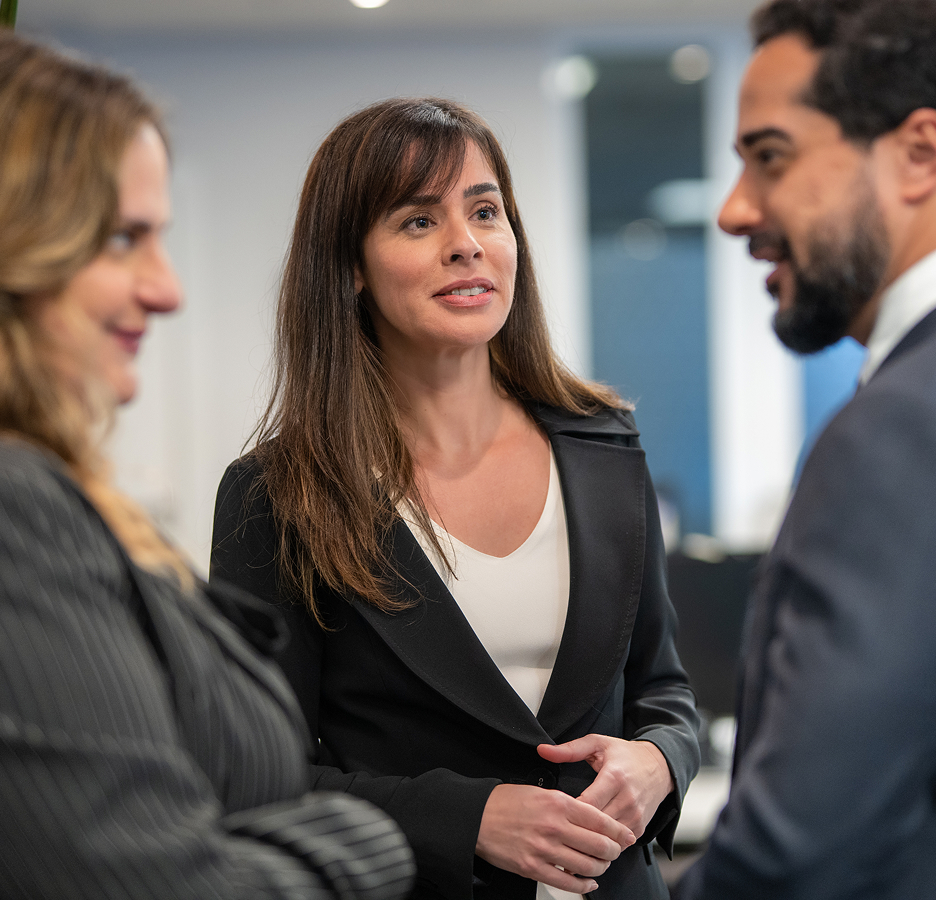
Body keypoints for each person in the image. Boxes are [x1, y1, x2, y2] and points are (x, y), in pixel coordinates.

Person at [211, 97, 700, 900]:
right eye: (417, 221)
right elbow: (257, 774)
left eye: (485, 211)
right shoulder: (278, 495)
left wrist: (661, 761)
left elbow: (664, 691)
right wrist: (464, 819)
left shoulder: (604, 445)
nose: (466, 244)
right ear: (351, 268)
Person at [0, 30, 415, 900]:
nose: (168, 288)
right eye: (123, 238)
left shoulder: (72, 495)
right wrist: (366, 843)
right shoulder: (16, 508)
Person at [677, 1, 936, 897]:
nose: (734, 209)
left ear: (918, 155)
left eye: (771, 157)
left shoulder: (899, 429)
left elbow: (800, 851)